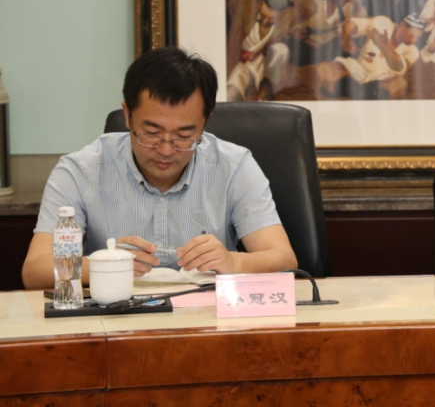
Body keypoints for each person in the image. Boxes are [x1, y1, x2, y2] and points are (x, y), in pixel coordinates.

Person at [21, 48, 297, 290]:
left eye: (184, 136)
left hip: (208, 319)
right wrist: (107, 266)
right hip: (116, 321)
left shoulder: (234, 166)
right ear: (128, 115)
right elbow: (34, 270)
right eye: (151, 133)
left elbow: (284, 258)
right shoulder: (80, 171)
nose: (166, 150)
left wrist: (232, 262)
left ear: (205, 123)